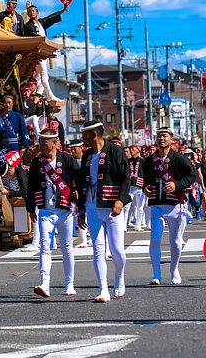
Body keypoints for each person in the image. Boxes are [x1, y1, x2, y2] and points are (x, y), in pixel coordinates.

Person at [76, 121, 131, 302]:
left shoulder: (115, 151)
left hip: (112, 207)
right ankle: (103, 289)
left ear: (94, 134)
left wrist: (121, 200)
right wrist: (81, 209)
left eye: (84, 134)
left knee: (116, 250)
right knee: (98, 250)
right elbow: (82, 183)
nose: (82, 138)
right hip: (92, 207)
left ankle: (120, 276)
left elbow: (125, 178)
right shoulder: (86, 156)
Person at [27, 129, 80, 297]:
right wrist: (31, 208)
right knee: (45, 248)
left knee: (67, 249)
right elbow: (31, 186)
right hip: (45, 212)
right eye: (40, 141)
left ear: (55, 143)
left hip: (65, 211)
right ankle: (45, 284)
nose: (41, 144)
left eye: (45, 141)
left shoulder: (68, 160)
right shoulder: (37, 162)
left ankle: (69, 284)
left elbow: (79, 181)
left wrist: (81, 204)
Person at [143, 127, 196, 285]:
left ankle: (174, 269)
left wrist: (177, 185)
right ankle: (156, 274)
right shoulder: (150, 160)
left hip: (175, 205)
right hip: (156, 205)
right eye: (159, 136)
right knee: (154, 240)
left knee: (175, 241)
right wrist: (145, 188)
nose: (161, 138)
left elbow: (192, 175)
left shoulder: (179, 159)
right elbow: (146, 180)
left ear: (171, 139)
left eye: (164, 136)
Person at [22, 3, 69, 101]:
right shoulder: (28, 26)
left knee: (39, 75)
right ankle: (49, 94)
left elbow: (51, 18)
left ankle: (37, 93)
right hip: (37, 52)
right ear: (27, 14)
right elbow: (35, 37)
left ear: (37, 12)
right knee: (44, 73)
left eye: (33, 11)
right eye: (29, 11)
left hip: (44, 51)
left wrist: (63, 10)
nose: (31, 13)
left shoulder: (41, 23)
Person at [128, 145, 146, 231]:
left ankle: (138, 224)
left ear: (137, 150)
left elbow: (145, 174)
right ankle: (124, 225)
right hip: (130, 186)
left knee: (140, 207)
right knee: (127, 207)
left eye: (133, 149)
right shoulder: (128, 161)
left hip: (140, 187)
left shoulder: (143, 161)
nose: (131, 150)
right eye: (130, 149)